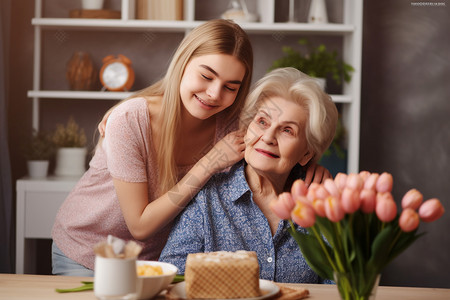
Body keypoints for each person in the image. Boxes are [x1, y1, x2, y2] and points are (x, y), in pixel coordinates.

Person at [51, 20, 329, 277]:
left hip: (154, 261)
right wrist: (210, 163)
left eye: (230, 87)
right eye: (207, 76)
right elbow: (140, 225)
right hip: (90, 252)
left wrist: (308, 167)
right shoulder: (130, 120)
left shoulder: (231, 122)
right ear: (183, 63)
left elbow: (277, 134)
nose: (214, 94)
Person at [159, 67, 338, 283]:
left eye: (287, 130)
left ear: (307, 153)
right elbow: (171, 277)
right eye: (262, 122)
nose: (268, 137)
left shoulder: (322, 205)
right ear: (247, 127)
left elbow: (339, 287)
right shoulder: (208, 197)